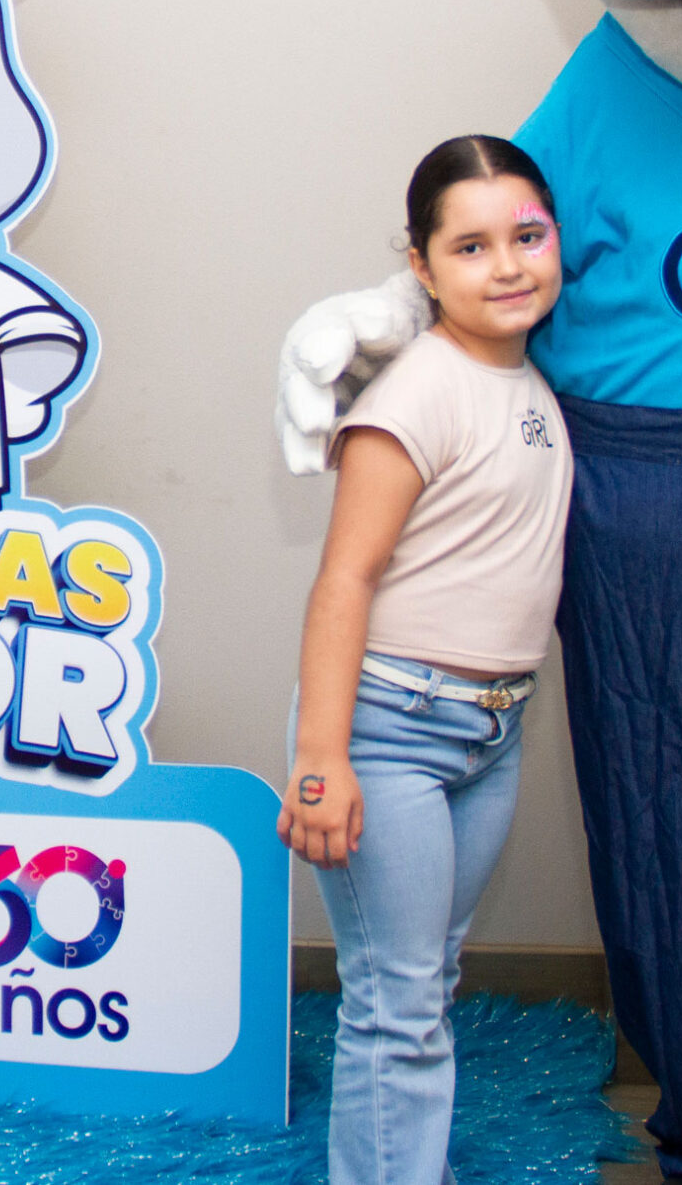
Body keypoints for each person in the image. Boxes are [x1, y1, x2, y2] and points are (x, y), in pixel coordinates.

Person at [279, 135, 573, 1185]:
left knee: (424, 979)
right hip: (388, 728)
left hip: (492, 730)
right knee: (395, 1000)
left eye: (527, 236)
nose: (508, 266)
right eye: (470, 246)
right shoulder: (412, 396)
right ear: (421, 267)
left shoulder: (533, 378)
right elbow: (342, 581)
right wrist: (322, 759)